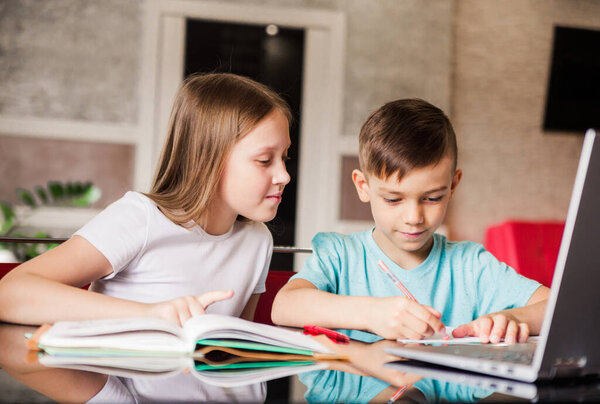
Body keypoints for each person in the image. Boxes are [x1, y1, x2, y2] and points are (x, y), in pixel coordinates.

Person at [271, 98, 550, 402]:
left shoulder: (470, 264)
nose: (414, 217)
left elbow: (555, 306)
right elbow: (283, 307)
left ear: (453, 186)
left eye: (432, 198)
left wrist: (514, 318)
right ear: (363, 186)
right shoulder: (340, 255)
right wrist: (371, 313)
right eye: (394, 199)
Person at [0, 73, 292, 327]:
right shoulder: (141, 218)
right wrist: (150, 314)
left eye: (284, 158)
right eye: (265, 160)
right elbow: (10, 294)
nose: (285, 175)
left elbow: (237, 344)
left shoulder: (257, 240)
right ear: (207, 161)